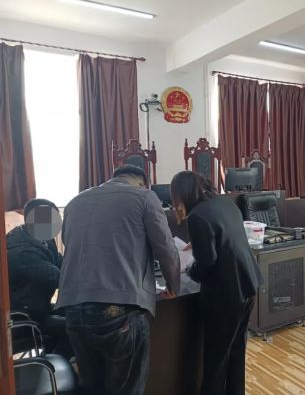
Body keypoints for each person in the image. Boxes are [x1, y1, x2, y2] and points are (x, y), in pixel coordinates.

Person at [57, 165, 181, 395]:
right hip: (119, 309)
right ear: (143, 183)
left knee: (91, 387)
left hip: (73, 309)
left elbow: (68, 243)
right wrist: (173, 285)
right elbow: (165, 248)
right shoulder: (144, 197)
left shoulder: (75, 202)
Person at [170, 171, 262, 395]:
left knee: (216, 360)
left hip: (226, 294)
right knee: (236, 351)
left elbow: (206, 262)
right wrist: (199, 243)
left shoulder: (197, 216)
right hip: (248, 284)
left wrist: (188, 270)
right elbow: (226, 237)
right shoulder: (224, 202)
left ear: (181, 194)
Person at [7, 198, 72, 358]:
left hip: (37, 306)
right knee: (72, 327)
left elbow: (61, 262)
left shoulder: (42, 239)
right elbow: (56, 277)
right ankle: (55, 364)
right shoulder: (21, 251)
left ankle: (51, 356)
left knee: (75, 312)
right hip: (22, 317)